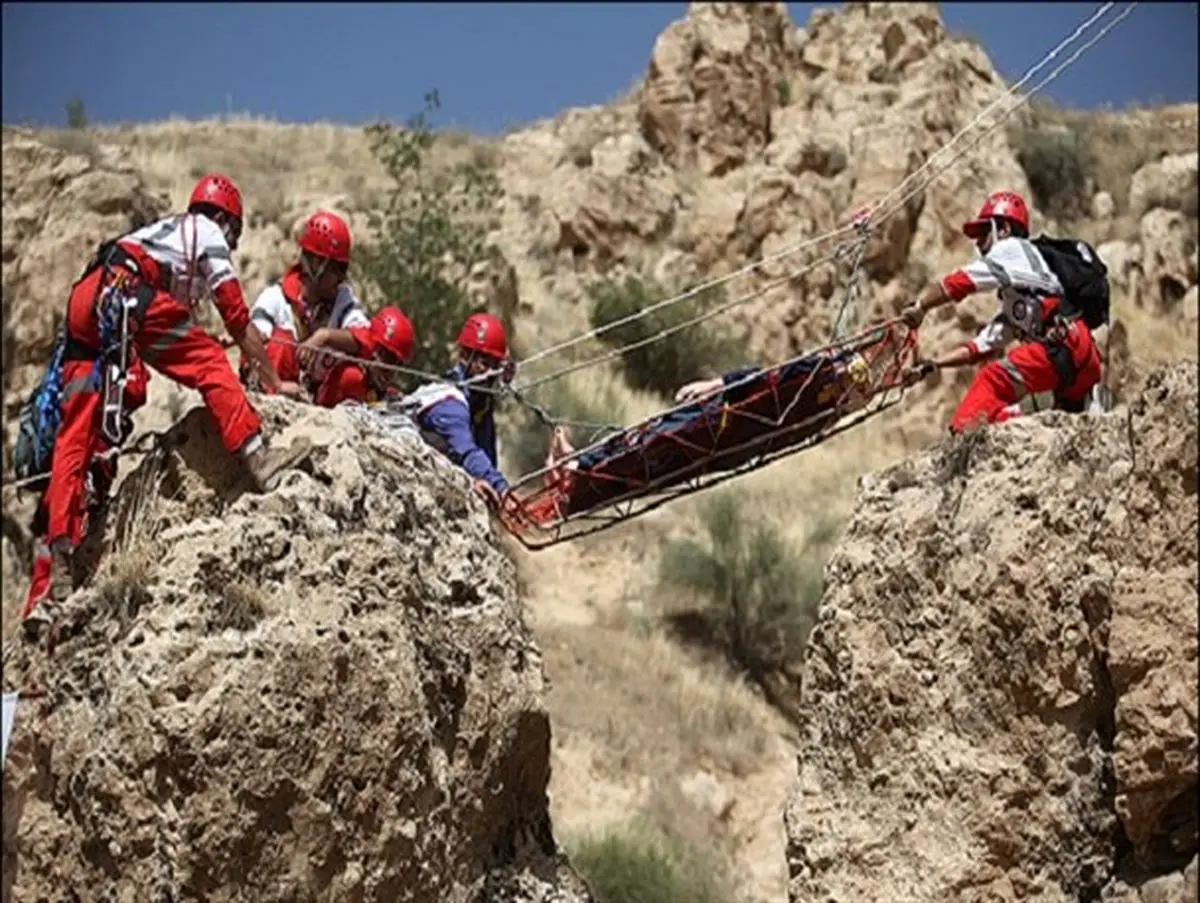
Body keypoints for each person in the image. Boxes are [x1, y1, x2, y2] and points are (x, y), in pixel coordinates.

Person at [41, 173, 313, 605]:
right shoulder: (207, 232)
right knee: (209, 361)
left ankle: (60, 556)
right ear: (226, 220)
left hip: (88, 298)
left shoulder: (164, 234)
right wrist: (274, 381)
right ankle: (258, 456)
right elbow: (236, 316)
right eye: (236, 235)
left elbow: (168, 325)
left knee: (74, 435)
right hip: (128, 295)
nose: (234, 244)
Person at [899, 190, 1105, 433]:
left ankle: (958, 440)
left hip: (1063, 345)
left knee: (991, 380)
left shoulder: (1011, 248)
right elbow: (977, 348)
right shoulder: (1024, 293)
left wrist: (921, 306)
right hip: (1082, 358)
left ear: (1004, 230)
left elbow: (961, 282)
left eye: (984, 232)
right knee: (1011, 420)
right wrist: (932, 365)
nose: (978, 243)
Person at [22, 354, 151, 626]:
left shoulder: (72, 349)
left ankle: (36, 614)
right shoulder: (117, 346)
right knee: (69, 536)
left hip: (64, 467)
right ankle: (47, 616)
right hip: (87, 462)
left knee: (51, 542)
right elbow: (136, 391)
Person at [243, 210, 376, 402]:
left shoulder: (343, 300)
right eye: (335, 269)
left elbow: (367, 340)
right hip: (280, 396)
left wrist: (325, 336)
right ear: (314, 264)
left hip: (322, 399)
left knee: (352, 377)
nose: (341, 278)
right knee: (280, 344)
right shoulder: (275, 298)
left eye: (343, 270)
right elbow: (254, 340)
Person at [399, 312, 512, 507]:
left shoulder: (480, 400)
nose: (490, 373)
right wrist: (502, 490)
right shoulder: (450, 402)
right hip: (402, 463)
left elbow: (486, 454)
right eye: (484, 363)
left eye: (495, 366)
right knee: (447, 447)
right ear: (464, 357)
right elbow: (467, 452)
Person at [314, 306, 416, 407]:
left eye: (398, 364)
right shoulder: (353, 376)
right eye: (389, 359)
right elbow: (326, 335)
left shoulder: (372, 368)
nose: (391, 371)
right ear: (375, 349)